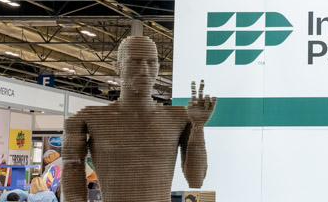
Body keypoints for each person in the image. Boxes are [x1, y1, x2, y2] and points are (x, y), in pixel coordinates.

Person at [62, 36, 214, 202]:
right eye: (134, 61)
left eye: (151, 62)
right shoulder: (87, 119)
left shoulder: (178, 118)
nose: (144, 70)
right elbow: (72, 168)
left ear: (157, 67)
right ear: (118, 67)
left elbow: (196, 180)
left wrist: (198, 127)